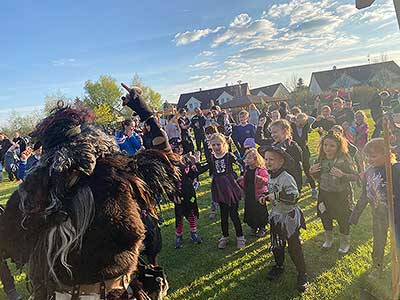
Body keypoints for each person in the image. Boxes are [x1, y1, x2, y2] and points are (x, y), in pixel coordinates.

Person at [258, 146, 308, 292]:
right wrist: (265, 196)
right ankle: (279, 266)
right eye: (266, 159)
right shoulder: (270, 174)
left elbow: (294, 197)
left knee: (294, 247)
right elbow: (271, 191)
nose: (267, 162)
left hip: (289, 217)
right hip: (277, 216)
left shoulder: (286, 177)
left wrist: (277, 196)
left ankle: (302, 274)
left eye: (271, 159)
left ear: (281, 162)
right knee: (277, 245)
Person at [350, 138, 400, 278]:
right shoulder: (369, 173)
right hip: (379, 215)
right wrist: (355, 214)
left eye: (373, 156)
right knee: (378, 243)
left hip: (397, 216)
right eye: (367, 156)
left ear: (387, 154)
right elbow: (365, 195)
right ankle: (377, 267)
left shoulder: (395, 169)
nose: (369, 159)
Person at [310, 133, 358, 254]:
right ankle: (329, 240)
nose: (327, 148)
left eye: (332, 145)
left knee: (343, 219)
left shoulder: (344, 159)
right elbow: (317, 177)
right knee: (325, 217)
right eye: (325, 145)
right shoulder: (320, 159)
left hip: (340, 196)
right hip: (324, 194)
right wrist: (312, 172)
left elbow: (356, 176)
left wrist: (343, 175)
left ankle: (344, 242)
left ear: (338, 146)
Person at [208, 133, 245, 249]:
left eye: (218, 144)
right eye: (213, 145)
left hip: (231, 188)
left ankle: (240, 237)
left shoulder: (229, 156)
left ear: (224, 144)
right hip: (219, 188)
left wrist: (240, 176)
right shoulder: (212, 158)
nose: (216, 147)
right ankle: (225, 236)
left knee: (234, 214)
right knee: (223, 215)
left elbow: (241, 165)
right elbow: (206, 168)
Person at [169, 138, 208, 249]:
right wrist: (172, 195)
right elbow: (168, 182)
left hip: (189, 193)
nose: (180, 149)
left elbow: (192, 175)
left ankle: (193, 233)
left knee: (191, 211)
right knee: (179, 214)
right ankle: (178, 235)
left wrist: (195, 165)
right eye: (177, 147)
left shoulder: (186, 160)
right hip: (178, 194)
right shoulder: (170, 163)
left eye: (181, 147)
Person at [256, 119, 303, 194]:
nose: (273, 135)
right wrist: (260, 126)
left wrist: (298, 186)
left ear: (284, 131)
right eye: (271, 133)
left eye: (275, 132)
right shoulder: (272, 144)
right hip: (276, 182)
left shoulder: (293, 147)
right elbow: (258, 140)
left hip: (289, 182)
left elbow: (297, 168)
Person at [237, 148, 269, 237]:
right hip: (249, 195)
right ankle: (253, 226)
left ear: (255, 159)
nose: (246, 160)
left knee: (260, 211)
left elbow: (267, 181)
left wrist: (261, 179)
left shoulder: (260, 170)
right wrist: (241, 181)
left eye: (248, 158)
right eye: (246, 158)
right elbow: (246, 181)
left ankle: (262, 227)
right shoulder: (246, 170)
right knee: (250, 211)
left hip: (259, 195)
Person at [291, 113, 318, 198]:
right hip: (295, 151)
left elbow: (312, 119)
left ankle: (314, 189)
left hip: (304, 151)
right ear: (296, 120)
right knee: (297, 170)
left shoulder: (306, 126)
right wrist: (294, 119)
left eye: (303, 123)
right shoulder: (292, 126)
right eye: (299, 122)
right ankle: (297, 190)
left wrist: (305, 119)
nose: (301, 125)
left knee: (307, 169)